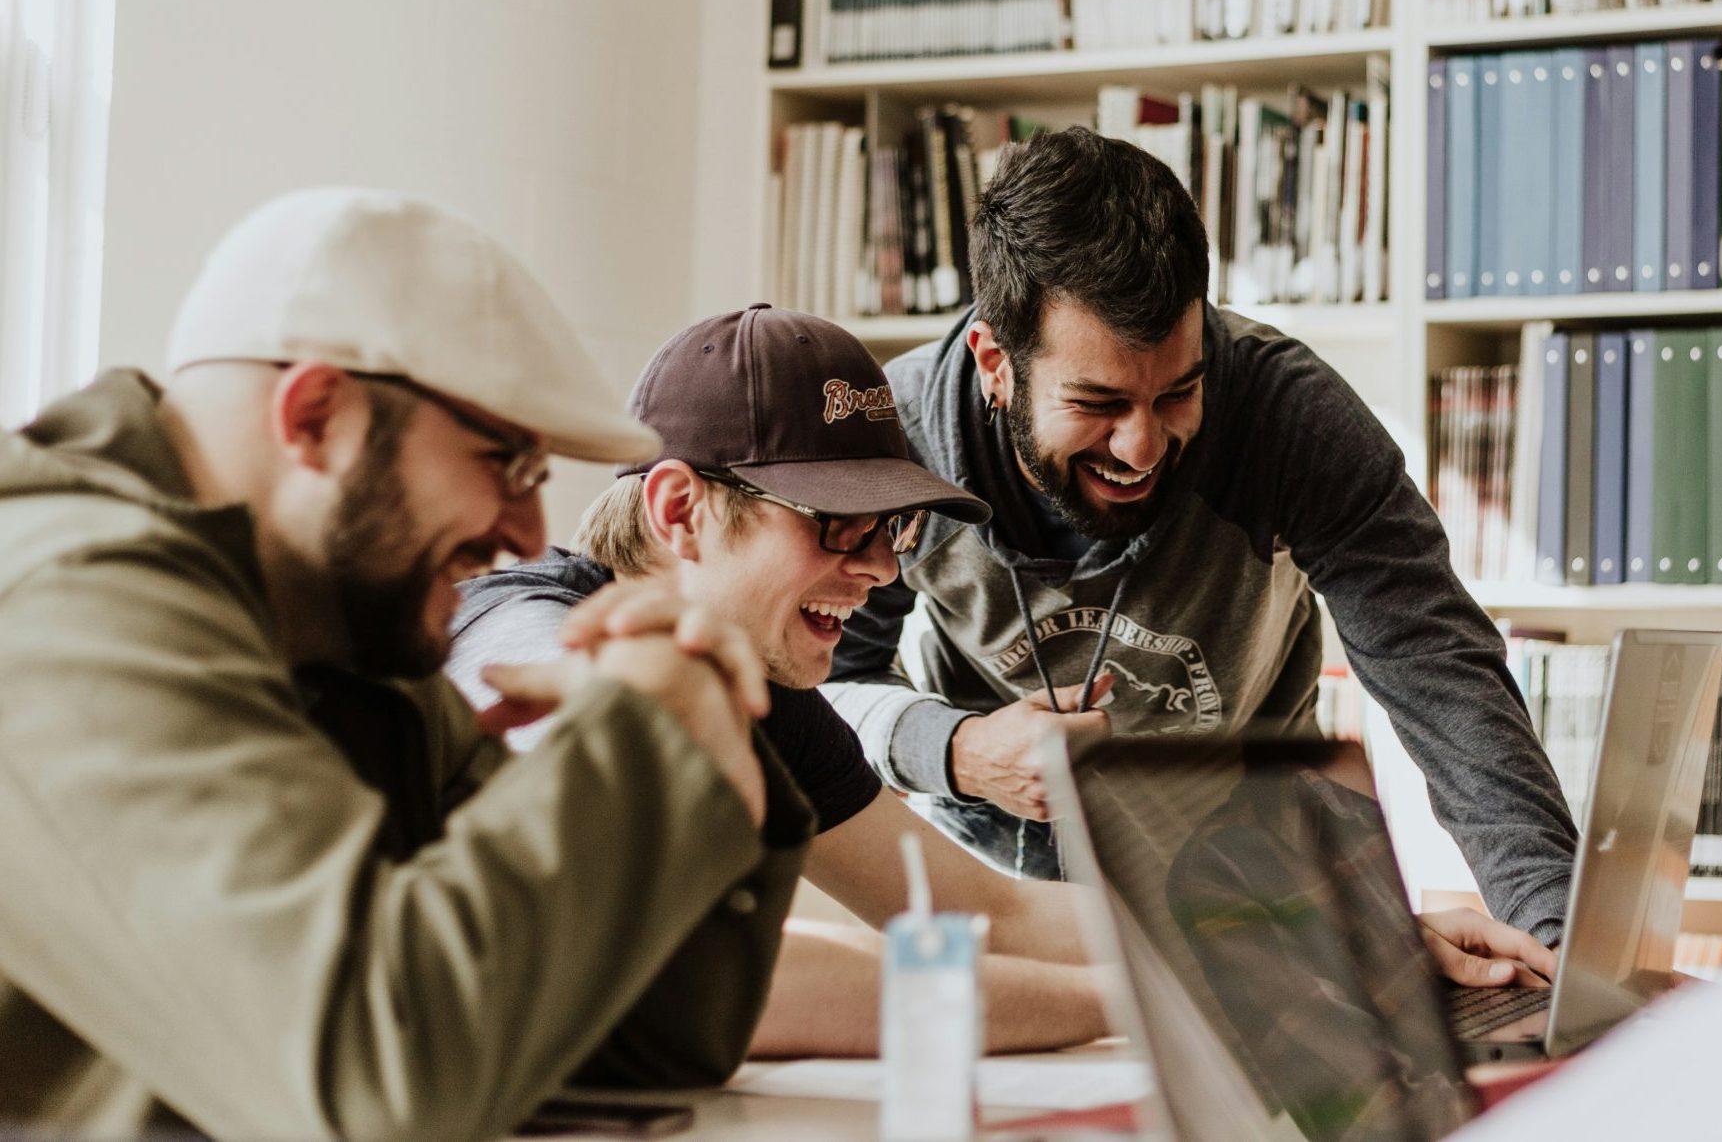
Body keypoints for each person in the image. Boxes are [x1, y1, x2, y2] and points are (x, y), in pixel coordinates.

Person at [0, 189, 811, 1142]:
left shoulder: (340, 630)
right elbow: (378, 1082)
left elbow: (634, 1042)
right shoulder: (71, 609)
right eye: (504, 461)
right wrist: (647, 735)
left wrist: (703, 732)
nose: (528, 532)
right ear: (314, 417)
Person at [825, 128, 1580, 971]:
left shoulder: (1289, 415)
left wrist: (1560, 945)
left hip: (1255, 882)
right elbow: (828, 688)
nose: (1143, 446)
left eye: (1178, 391)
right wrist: (957, 751)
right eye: (1098, 402)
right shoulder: (897, 438)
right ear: (996, 361)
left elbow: (1440, 669)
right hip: (1001, 901)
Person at [450, 304, 1115, 1056]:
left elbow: (984, 912)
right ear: (680, 511)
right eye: (838, 521)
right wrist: (1129, 1002)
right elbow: (696, 972)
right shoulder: (524, 641)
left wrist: (1223, 946)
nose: (883, 568)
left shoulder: (761, 693)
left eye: (892, 526)